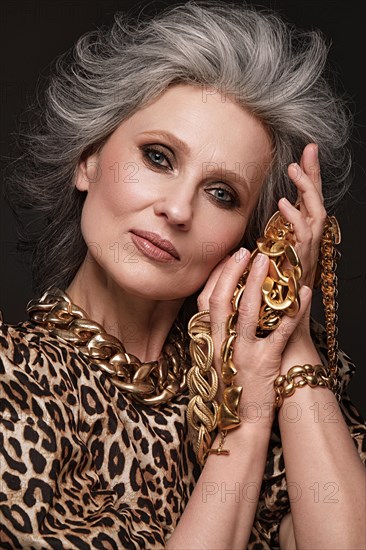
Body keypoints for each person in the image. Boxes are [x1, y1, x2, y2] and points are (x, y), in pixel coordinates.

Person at [0, 1, 365, 548]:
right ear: (88, 159)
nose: (177, 210)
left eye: (222, 194)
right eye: (157, 157)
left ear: (249, 238)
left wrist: (287, 332)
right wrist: (243, 426)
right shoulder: (13, 380)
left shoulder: (282, 394)